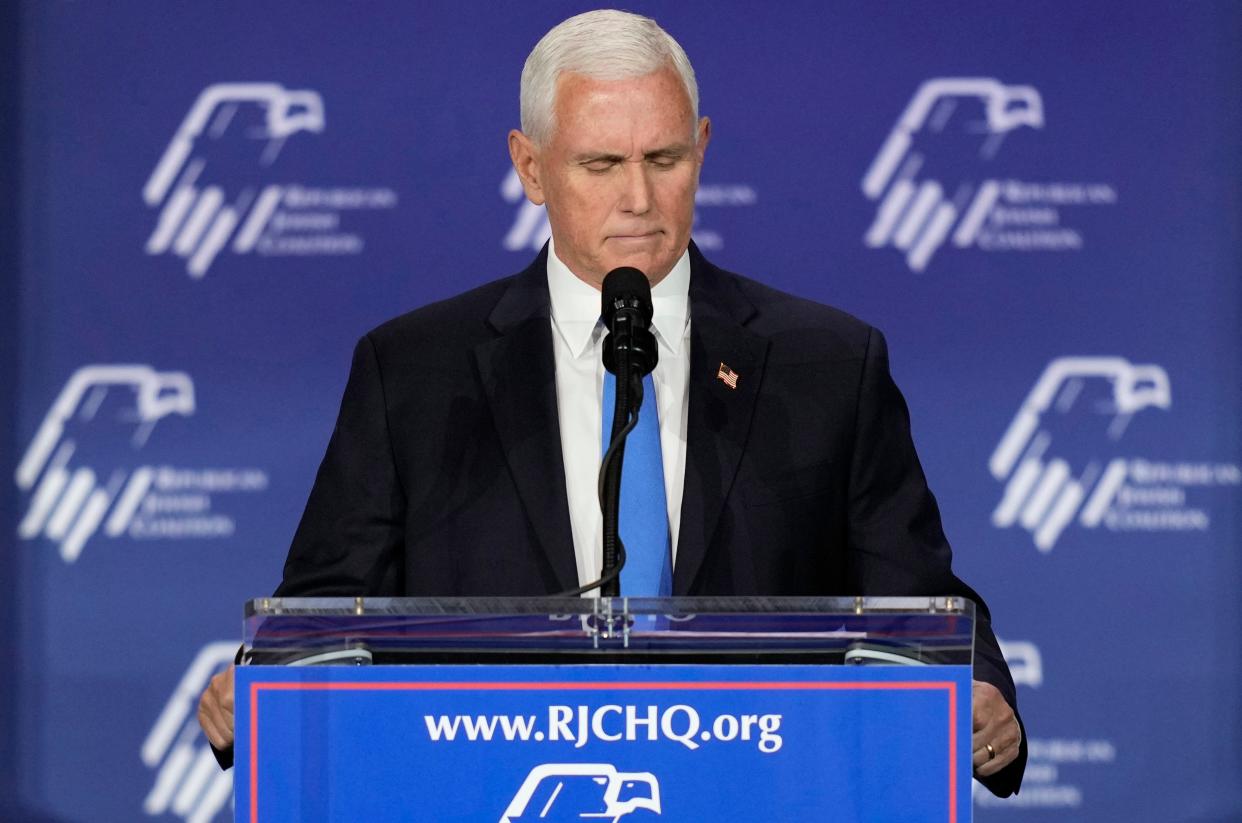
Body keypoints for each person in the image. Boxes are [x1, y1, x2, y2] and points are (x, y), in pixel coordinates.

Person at [198, 9, 1026, 795]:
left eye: (664, 159)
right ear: (530, 167)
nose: (639, 197)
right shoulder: (414, 371)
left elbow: (916, 600)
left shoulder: (828, 364)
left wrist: (979, 692)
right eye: (601, 164)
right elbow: (320, 613)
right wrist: (261, 683)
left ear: (701, 150)